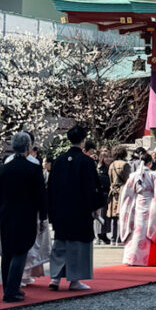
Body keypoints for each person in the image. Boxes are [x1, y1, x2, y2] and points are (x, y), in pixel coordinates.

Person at [47, 125, 105, 291]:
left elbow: (51, 187)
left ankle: (55, 278)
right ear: (83, 141)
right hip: (80, 210)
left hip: (61, 209)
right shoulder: (87, 162)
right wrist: (96, 204)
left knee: (60, 243)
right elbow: (92, 188)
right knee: (78, 245)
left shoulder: (59, 161)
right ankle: (75, 280)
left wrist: (51, 209)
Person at [0, 132, 47, 303]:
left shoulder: (3, 169)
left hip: (6, 213)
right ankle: (12, 291)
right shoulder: (33, 169)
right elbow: (40, 195)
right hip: (26, 213)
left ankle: (8, 287)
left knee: (7, 251)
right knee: (21, 250)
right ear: (28, 147)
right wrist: (43, 216)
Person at [119, 154, 156, 265]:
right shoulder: (154, 175)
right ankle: (149, 259)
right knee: (149, 228)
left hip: (137, 204)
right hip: (150, 204)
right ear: (150, 163)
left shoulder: (134, 175)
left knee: (136, 229)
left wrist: (126, 206)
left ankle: (132, 257)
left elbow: (127, 193)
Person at [107, 145, 132, 243]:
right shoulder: (125, 165)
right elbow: (128, 179)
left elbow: (110, 179)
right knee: (121, 214)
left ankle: (113, 238)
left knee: (113, 215)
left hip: (113, 191)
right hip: (122, 191)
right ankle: (119, 237)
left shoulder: (112, 165)